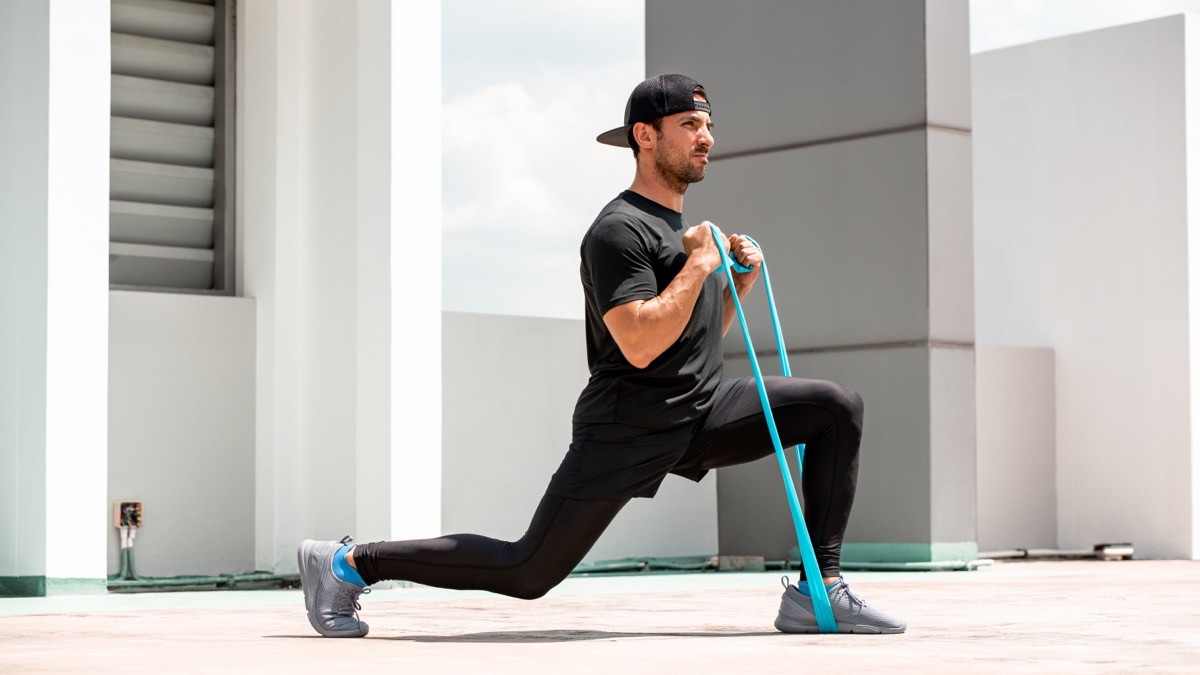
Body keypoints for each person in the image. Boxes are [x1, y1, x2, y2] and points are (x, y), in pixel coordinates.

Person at [297, 74, 905, 637]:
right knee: (527, 571)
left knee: (835, 407)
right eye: (690, 125)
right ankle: (348, 563)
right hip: (629, 424)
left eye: (708, 126)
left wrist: (736, 287)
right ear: (646, 136)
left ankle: (818, 591)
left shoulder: (678, 231)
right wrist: (699, 265)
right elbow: (639, 344)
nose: (707, 138)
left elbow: (689, 340)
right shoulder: (618, 231)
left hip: (697, 411)